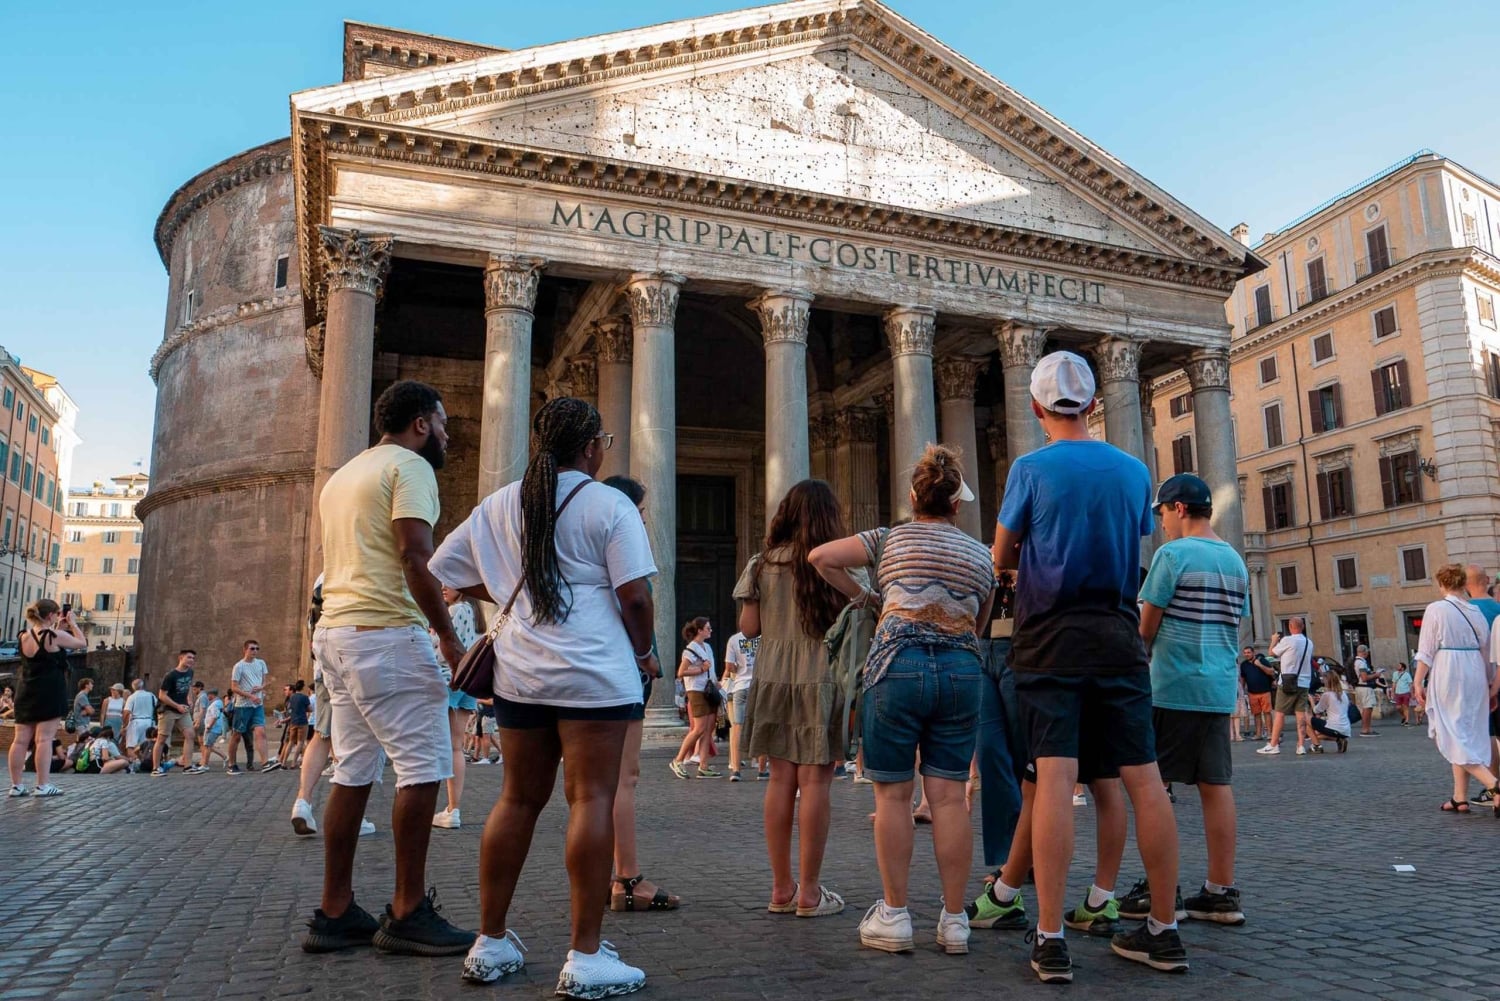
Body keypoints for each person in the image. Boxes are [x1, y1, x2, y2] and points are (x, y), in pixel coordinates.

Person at [429, 396, 657, 994]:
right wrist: (645, 650)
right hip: (595, 676)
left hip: (521, 678)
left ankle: (491, 941)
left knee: (516, 801)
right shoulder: (610, 504)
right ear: (589, 447)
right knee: (591, 801)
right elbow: (634, 596)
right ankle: (584, 955)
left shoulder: (500, 503)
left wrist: (504, 584)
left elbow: (441, 571)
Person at [990, 351, 1184, 983]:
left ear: (1037, 407)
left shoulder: (1030, 468)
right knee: (1144, 779)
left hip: (1048, 636)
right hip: (1118, 633)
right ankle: (1163, 929)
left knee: (1054, 780)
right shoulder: (1134, 472)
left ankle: (1049, 940)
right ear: (1094, 405)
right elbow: (1135, 537)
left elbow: (1002, 554)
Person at [302, 380, 473, 958]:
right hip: (385, 635)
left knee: (352, 770)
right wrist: (448, 638)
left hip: (336, 635)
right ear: (421, 423)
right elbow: (413, 554)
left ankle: (335, 909)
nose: (448, 434)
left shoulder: (343, 476)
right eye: (443, 423)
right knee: (422, 769)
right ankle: (406, 911)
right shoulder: (412, 468)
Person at [811, 443, 995, 956]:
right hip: (960, 670)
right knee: (950, 798)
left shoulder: (889, 539)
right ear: (957, 503)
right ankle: (955, 920)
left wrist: (868, 597)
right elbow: (979, 624)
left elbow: (820, 558)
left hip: (897, 665)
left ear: (914, 495)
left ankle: (894, 915)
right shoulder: (981, 555)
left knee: (892, 797)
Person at [1134, 473, 1249, 926]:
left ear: (1179, 508)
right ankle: (1220, 891)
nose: (1161, 522)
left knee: (1152, 788)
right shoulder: (1235, 561)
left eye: (1162, 512)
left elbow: (1146, 628)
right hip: (1218, 687)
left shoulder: (1173, 554)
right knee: (1216, 786)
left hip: (1172, 685)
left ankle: (1159, 890)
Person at [735, 479, 851, 921]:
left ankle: (781, 887)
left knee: (780, 780)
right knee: (817, 782)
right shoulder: (833, 563)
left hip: (773, 675)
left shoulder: (762, 564)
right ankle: (811, 891)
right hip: (821, 673)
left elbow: (748, 628)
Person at [601, 474, 679, 914]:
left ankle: (602, 875)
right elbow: (636, 601)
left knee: (593, 784)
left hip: (584, 675)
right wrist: (647, 654)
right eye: (642, 511)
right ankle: (627, 879)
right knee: (623, 778)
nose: (645, 519)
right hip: (620, 674)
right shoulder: (623, 547)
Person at [291, 574, 377, 840]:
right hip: (354, 661)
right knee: (353, 739)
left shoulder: (321, 579)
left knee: (323, 735)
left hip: (323, 666)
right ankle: (351, 813)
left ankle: (303, 802)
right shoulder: (358, 567)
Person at [1414, 564, 1500, 815]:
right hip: (1475, 672)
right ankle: (1459, 797)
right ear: (1464, 584)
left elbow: (1426, 650)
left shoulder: (1436, 609)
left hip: (1449, 671)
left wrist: (1419, 681)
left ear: (1441, 584)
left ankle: (1494, 785)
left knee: (1451, 732)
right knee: (1468, 733)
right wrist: (1490, 685)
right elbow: (1487, 652)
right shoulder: (1474, 611)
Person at [8, 600, 86, 796]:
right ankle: (42, 785)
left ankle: (16, 786)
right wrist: (74, 624)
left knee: (19, 741)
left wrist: (59, 627)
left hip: (26, 690)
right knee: (44, 740)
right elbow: (82, 643)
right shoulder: (54, 635)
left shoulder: (23, 636)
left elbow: (44, 647)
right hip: (49, 691)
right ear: (51, 615)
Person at [432, 586, 482, 830]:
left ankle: (436, 807)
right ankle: (453, 809)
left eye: (449, 583)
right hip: (468, 683)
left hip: (448, 679)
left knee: (434, 744)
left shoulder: (458, 610)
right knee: (455, 746)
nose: (443, 587)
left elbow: (445, 648)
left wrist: (428, 635)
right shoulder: (475, 613)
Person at [670, 618, 719, 779]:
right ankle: (678, 760)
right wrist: (700, 669)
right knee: (698, 728)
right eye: (708, 628)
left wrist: (716, 682)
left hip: (709, 690)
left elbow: (710, 669)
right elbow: (681, 672)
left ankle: (703, 766)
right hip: (696, 690)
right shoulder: (690, 650)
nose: (710, 631)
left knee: (707, 730)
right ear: (699, 630)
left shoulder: (708, 647)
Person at [1258, 619, 1315, 756]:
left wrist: (1273, 640)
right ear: (1302, 627)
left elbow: (1272, 653)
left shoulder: (1288, 640)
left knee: (1279, 713)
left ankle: (1273, 744)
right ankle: (1301, 745)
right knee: (1300, 714)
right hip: (1304, 681)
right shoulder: (1309, 642)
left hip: (1287, 681)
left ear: (1290, 627)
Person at [226, 641, 270, 774]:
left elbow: (265, 681)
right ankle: (231, 763)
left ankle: (265, 763)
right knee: (237, 735)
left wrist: (261, 688)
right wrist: (250, 696)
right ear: (245, 650)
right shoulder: (239, 666)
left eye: (257, 648)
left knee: (260, 732)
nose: (255, 651)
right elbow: (234, 687)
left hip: (258, 704)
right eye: (252, 648)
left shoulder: (261, 663)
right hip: (242, 706)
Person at [722, 630, 759, 781]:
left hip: (740, 685)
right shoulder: (763, 637)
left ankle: (736, 769)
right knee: (760, 724)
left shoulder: (734, 639)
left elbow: (729, 666)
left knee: (737, 727)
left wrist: (740, 671)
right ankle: (761, 768)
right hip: (758, 684)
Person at [153, 651, 198, 776]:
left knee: (190, 735)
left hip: (183, 709)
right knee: (162, 738)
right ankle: (156, 768)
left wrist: (189, 699)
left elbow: (188, 685)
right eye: (189, 657)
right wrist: (177, 706)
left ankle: (187, 766)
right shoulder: (171, 675)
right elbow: (162, 695)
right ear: (181, 658)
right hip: (168, 710)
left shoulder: (190, 672)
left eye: (193, 658)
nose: (191, 660)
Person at [1309, 669, 1351, 753]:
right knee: (1316, 734)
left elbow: (1316, 710)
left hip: (1333, 726)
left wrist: (1311, 701)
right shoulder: (1343, 694)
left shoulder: (1327, 694)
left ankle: (1316, 745)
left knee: (1306, 720)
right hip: (1345, 729)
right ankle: (1339, 739)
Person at [1239, 646, 1275, 742]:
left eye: (1248, 652)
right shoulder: (1244, 665)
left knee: (1267, 713)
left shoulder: (1262, 660)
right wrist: (1242, 690)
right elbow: (1243, 678)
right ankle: (1258, 734)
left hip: (1265, 691)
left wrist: (1259, 665)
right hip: (1252, 692)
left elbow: (1271, 671)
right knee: (1256, 714)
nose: (1247, 654)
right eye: (1245, 653)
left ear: (1253, 653)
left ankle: (1269, 733)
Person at [282, 680, 312, 771]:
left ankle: (283, 762)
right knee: (300, 742)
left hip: (293, 721)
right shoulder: (305, 697)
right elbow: (309, 709)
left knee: (290, 742)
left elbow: (290, 708)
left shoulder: (292, 697)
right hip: (302, 721)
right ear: (302, 688)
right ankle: (293, 762)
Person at [122, 679, 155, 758]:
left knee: (131, 746)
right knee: (144, 746)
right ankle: (143, 761)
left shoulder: (132, 697)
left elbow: (126, 712)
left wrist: (124, 726)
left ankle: (134, 762)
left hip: (136, 722)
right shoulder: (151, 695)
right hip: (149, 721)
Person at [1351, 645, 1379, 738]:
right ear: (1365, 652)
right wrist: (1376, 675)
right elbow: (1364, 677)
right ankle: (1365, 729)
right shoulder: (1362, 663)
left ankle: (1366, 728)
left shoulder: (1356, 661)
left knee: (1365, 708)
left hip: (1359, 687)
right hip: (1365, 687)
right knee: (1368, 708)